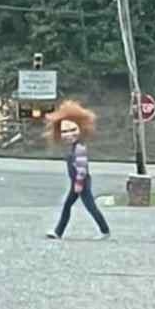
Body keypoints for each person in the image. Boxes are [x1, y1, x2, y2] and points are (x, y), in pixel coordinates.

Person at [45, 99, 111, 240]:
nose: (69, 134)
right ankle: (58, 232)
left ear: (82, 129)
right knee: (68, 205)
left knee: (90, 207)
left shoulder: (79, 149)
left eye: (73, 130)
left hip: (81, 183)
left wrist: (79, 184)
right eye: (64, 131)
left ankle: (105, 230)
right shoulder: (73, 148)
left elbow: (82, 169)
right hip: (77, 183)